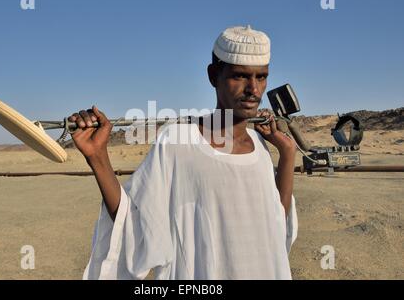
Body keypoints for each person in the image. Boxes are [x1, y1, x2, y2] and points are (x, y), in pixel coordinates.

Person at [69, 25, 298, 280]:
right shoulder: (179, 141)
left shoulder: (259, 146)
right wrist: (97, 156)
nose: (253, 90)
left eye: (261, 77)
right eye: (240, 76)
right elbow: (135, 223)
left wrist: (288, 153)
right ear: (213, 76)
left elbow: (276, 226)